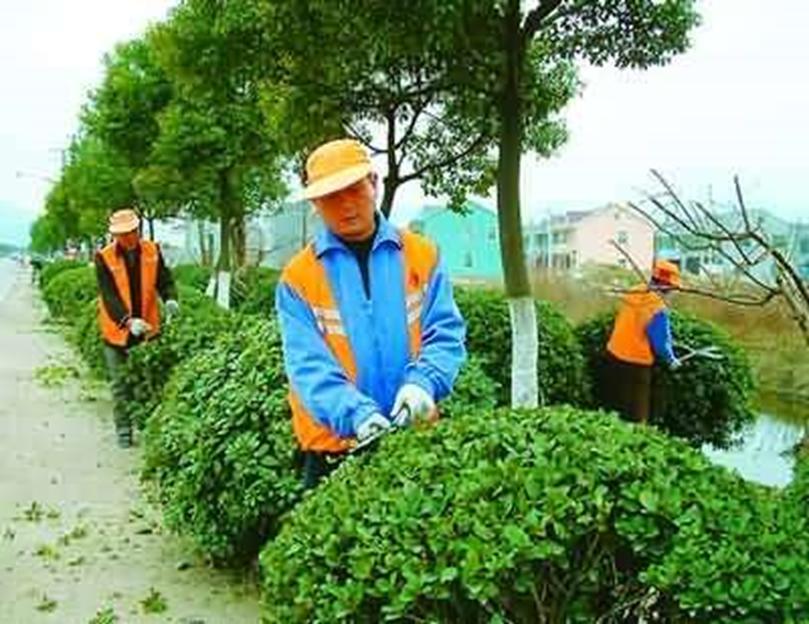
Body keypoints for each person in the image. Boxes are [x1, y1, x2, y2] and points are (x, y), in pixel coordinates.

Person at [276, 138, 467, 489]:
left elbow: (445, 333)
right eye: (331, 197)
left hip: (414, 436)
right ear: (316, 204)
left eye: (354, 189)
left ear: (374, 183)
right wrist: (356, 414)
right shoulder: (298, 278)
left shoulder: (422, 256)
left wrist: (424, 383)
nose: (346, 205)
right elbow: (307, 365)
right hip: (334, 449)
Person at [95, 209, 179, 447]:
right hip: (117, 331)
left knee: (149, 381)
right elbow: (109, 296)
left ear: (138, 230)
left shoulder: (153, 250)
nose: (127, 238)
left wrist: (170, 298)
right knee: (120, 385)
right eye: (121, 234)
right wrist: (128, 322)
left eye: (131, 232)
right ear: (115, 235)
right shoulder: (104, 257)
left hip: (148, 329)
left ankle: (150, 429)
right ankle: (124, 431)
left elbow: (164, 280)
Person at [604, 259, 682, 424]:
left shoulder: (634, 292)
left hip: (613, 354)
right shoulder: (657, 308)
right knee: (637, 417)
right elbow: (660, 343)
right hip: (636, 364)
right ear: (667, 287)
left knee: (615, 410)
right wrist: (671, 360)